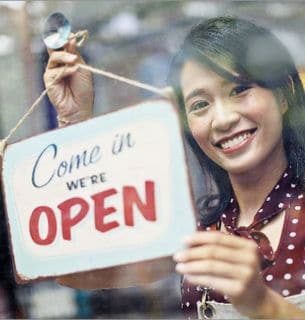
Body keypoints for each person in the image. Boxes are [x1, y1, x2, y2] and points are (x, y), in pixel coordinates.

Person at [44, 16, 305, 319]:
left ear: (284, 93)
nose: (222, 119)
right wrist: (73, 120)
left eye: (240, 89)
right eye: (199, 105)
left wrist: (263, 305)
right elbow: (76, 273)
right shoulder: (191, 228)